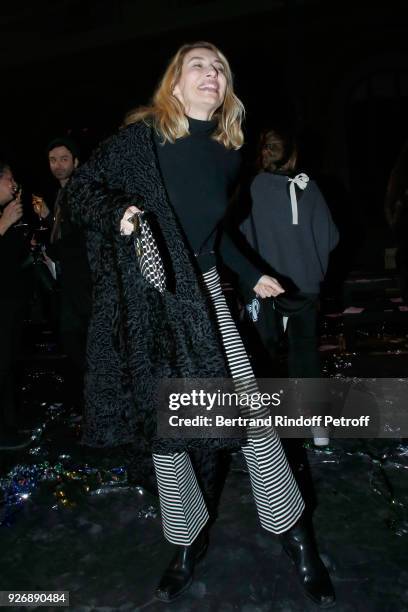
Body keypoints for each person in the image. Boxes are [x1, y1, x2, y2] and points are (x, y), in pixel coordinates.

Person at [67, 43, 335, 607]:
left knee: (252, 417)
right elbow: (82, 193)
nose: (212, 74)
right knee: (170, 435)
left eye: (220, 69)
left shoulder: (226, 155)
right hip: (152, 299)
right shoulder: (139, 141)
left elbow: (214, 236)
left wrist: (253, 273)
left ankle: (294, 532)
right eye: (199, 66)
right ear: (175, 83)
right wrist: (121, 211)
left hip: (206, 292)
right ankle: (186, 541)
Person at [241, 128, 339, 445]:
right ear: (293, 155)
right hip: (304, 286)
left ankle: (265, 432)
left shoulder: (252, 188)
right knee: (305, 353)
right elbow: (331, 237)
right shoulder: (309, 187)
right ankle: (318, 430)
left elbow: (240, 235)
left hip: (264, 286)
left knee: (262, 353)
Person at [35, 137, 92, 412]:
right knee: (71, 337)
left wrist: (52, 250)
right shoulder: (62, 195)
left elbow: (77, 240)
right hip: (70, 281)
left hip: (84, 281)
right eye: (52, 160)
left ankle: (96, 399)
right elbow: (62, 233)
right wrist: (47, 216)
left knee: (81, 340)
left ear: (76, 162)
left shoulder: (80, 193)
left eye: (64, 159)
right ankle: (87, 399)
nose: (58, 165)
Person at [0, 161, 31, 450]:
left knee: (8, 363)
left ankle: (11, 423)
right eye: (9, 178)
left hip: (10, 302)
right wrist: (4, 223)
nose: (14, 184)